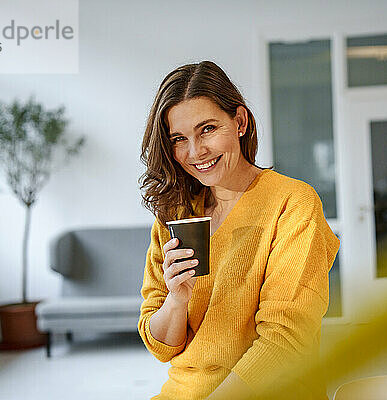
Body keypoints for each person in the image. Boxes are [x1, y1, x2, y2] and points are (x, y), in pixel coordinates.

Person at [138, 61, 340, 400]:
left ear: (240, 122)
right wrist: (177, 299)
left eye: (207, 129)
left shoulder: (292, 203)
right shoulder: (175, 214)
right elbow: (161, 347)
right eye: (179, 139)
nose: (195, 152)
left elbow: (284, 339)